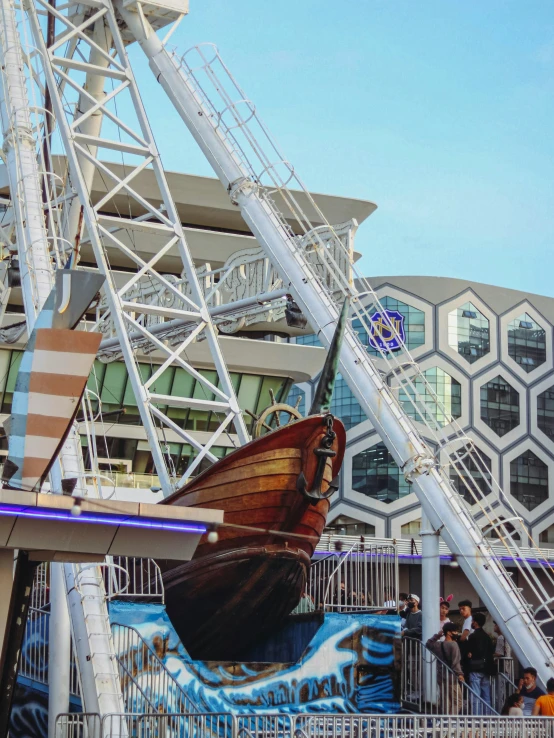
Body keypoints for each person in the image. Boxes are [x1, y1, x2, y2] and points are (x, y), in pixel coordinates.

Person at [426, 622, 464, 714]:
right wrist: (460, 674)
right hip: (451, 677)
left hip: (441, 676)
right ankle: (451, 722)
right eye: (454, 631)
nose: (456, 633)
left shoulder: (439, 644)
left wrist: (438, 635)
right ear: (449, 633)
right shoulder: (454, 645)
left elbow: (428, 644)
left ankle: (445, 722)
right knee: (458, 701)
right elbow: (455, 662)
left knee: (446, 701)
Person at [467, 612, 495, 714]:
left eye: (472, 620)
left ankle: (477, 720)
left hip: (475, 668)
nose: (471, 622)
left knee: (475, 696)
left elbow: (469, 653)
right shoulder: (487, 637)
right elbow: (491, 651)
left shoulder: (473, 636)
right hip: (486, 669)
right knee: (486, 696)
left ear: (475, 622)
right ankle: (487, 719)